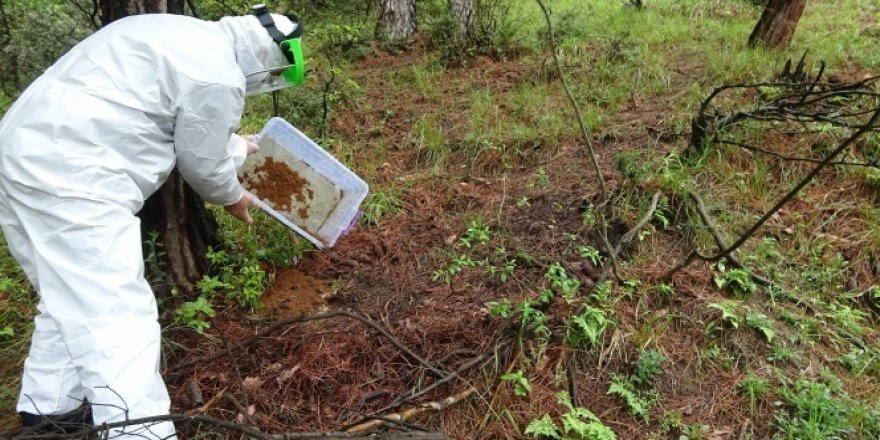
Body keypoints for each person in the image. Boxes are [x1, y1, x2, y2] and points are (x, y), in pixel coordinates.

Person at [0, 4, 304, 439]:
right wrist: (233, 196)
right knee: (116, 315)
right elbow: (201, 163)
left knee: (67, 292)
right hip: (75, 176)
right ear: (271, 58)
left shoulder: (177, 32)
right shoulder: (218, 73)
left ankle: (49, 412)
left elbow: (162, 117)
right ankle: (139, 432)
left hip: (21, 151)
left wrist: (237, 147)